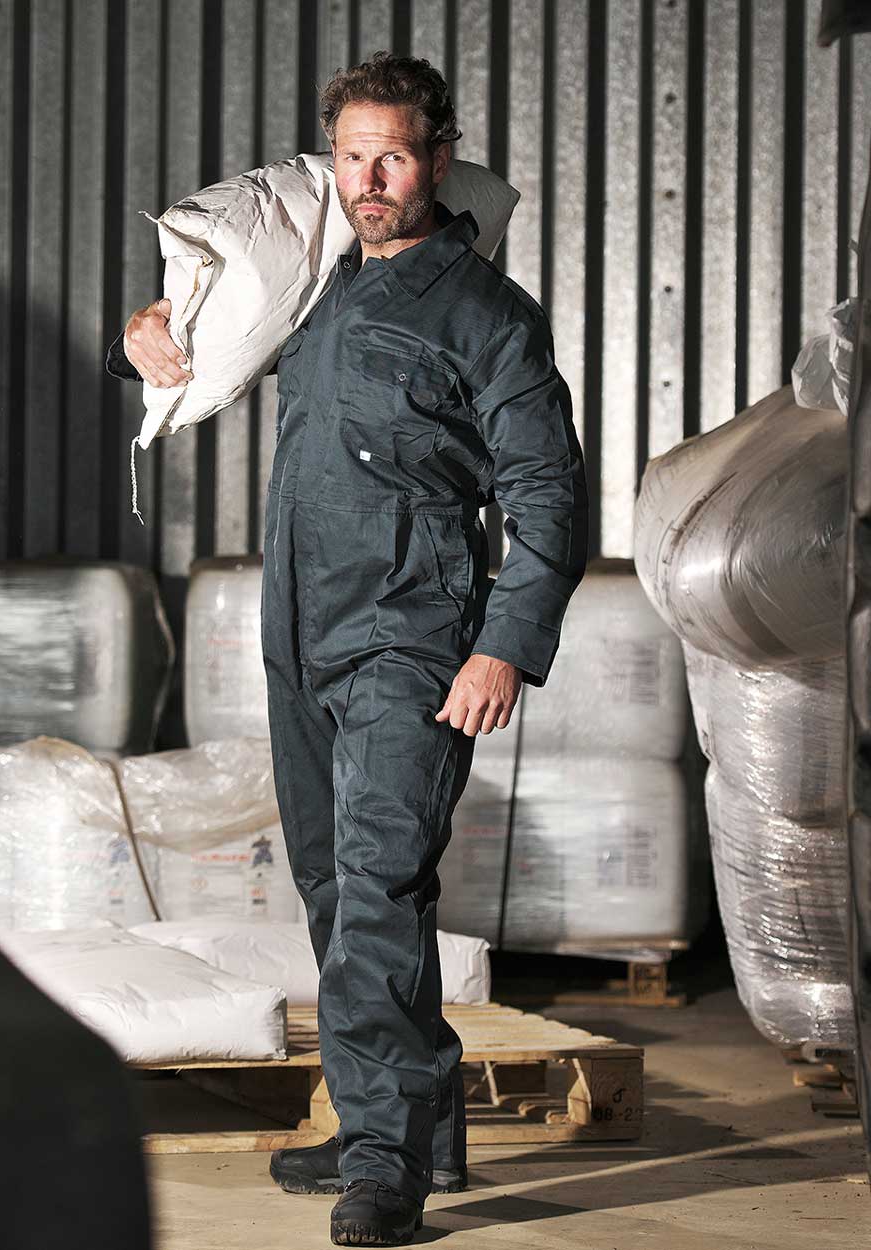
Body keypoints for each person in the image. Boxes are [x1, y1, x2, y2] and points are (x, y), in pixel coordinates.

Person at [107, 50, 587, 1250]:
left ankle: (383, 1161)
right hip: (302, 630)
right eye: (354, 156)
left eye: (396, 157)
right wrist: (142, 335)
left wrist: (503, 647)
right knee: (331, 882)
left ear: (438, 161)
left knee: (377, 883)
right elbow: (211, 335)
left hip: (413, 639)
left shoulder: (486, 314)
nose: (372, 179)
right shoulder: (316, 285)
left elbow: (548, 494)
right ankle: (416, 1122)